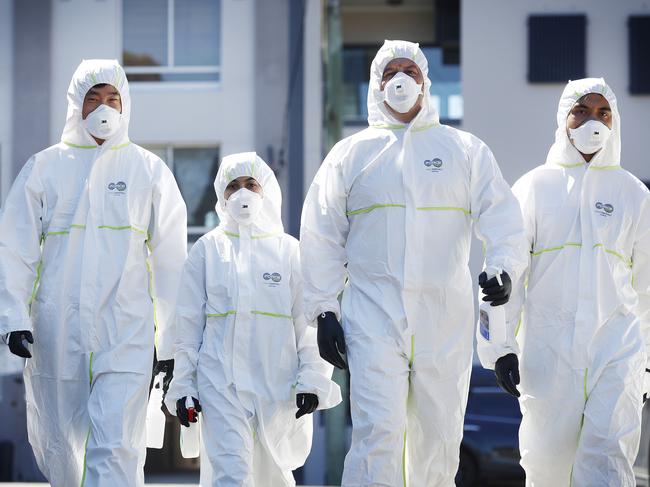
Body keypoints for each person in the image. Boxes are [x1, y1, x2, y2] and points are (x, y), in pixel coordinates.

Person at [300, 40, 527, 486]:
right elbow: (321, 235)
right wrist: (324, 310)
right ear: (376, 86)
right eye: (389, 73)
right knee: (376, 434)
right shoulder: (351, 156)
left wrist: (501, 267)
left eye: (409, 71)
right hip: (373, 316)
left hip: (444, 318)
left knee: (439, 437)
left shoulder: (464, 150)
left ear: (425, 83)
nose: (400, 80)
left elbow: (502, 218)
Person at [0, 59, 187, 486]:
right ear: (76, 106)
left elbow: (172, 262)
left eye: (112, 99)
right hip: (57, 334)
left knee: (117, 448)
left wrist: (173, 342)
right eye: (93, 99)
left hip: (126, 334)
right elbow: (15, 248)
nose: (104, 108)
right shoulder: (44, 168)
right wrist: (12, 318)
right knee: (62, 451)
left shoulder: (148, 171)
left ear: (125, 107)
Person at [492, 78, 650, 486]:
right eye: (582, 111)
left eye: (603, 113)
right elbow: (505, 270)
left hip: (616, 353)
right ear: (564, 118)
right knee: (547, 467)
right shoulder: (533, 188)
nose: (592, 121)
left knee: (607, 463)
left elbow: (647, 284)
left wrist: (647, 362)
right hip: (548, 355)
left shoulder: (633, 194)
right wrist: (499, 347)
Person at [165, 152, 341, 486]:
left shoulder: (289, 252)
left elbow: (307, 328)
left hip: (277, 386)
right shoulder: (206, 252)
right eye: (232, 186)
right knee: (231, 475)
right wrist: (185, 384)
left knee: (272, 476)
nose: (242, 193)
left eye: (250, 184)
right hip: (221, 385)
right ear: (222, 195)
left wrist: (312, 380)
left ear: (266, 192)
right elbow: (187, 328)